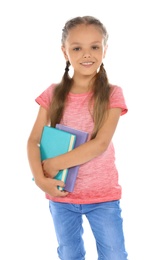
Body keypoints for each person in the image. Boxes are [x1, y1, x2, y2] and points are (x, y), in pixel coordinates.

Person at [27, 15, 128, 260]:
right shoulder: (52, 94)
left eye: (94, 46)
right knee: (70, 254)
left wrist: (53, 164)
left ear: (105, 49)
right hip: (61, 195)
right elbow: (33, 141)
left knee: (115, 255)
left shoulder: (113, 94)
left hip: (103, 196)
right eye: (77, 48)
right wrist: (41, 180)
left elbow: (99, 144)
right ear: (65, 51)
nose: (86, 54)